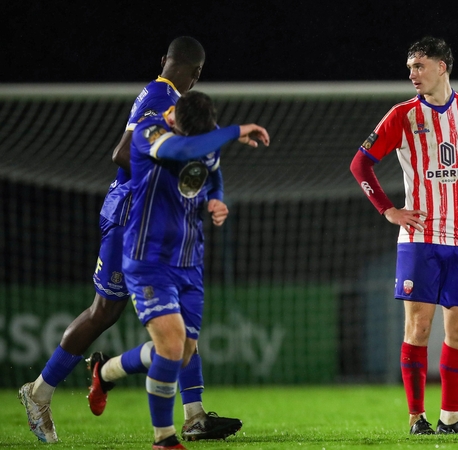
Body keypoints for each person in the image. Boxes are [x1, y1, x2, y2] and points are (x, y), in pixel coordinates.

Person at [17, 36, 241, 444]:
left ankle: (192, 414)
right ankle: (40, 391)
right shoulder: (162, 97)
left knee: (164, 315)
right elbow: (124, 152)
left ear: (164, 60)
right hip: (131, 221)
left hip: (151, 222)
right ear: (197, 75)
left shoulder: (158, 93)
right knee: (105, 312)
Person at [350, 36, 458, 435]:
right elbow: (360, 165)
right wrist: (389, 210)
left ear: (442, 67)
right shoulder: (403, 115)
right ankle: (416, 418)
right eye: (409, 67)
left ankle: (451, 418)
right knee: (419, 329)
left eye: (419, 66)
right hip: (419, 240)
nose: (412, 74)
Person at [92, 90, 269, 449]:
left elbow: (212, 171)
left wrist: (217, 198)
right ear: (172, 118)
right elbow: (183, 151)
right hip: (148, 259)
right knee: (171, 347)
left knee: (182, 353)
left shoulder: (205, 136)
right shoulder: (148, 132)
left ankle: (105, 371)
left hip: (189, 261)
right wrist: (236, 130)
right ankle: (164, 440)